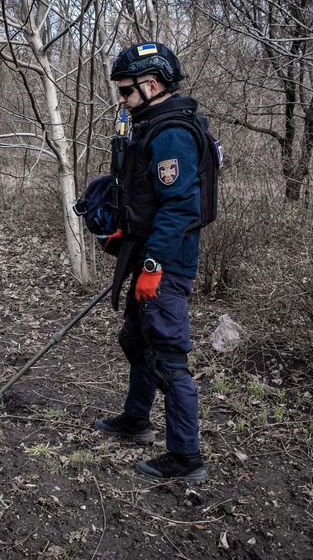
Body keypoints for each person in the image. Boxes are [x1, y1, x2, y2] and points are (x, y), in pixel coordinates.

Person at [94, 41, 206, 483]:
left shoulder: (172, 133)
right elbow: (149, 198)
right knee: (137, 341)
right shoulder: (151, 125)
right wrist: (126, 230)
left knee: (167, 358)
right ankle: (136, 420)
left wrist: (154, 266)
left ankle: (185, 458)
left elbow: (181, 207)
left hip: (166, 263)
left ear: (152, 85)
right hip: (146, 253)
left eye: (126, 91)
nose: (121, 100)